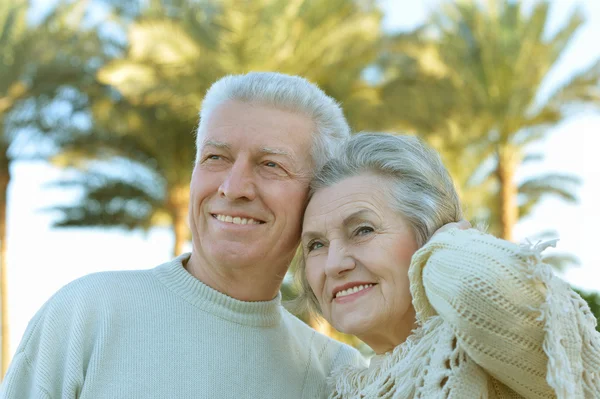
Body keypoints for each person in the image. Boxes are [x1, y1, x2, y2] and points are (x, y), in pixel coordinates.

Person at [1, 72, 365, 398]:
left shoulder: (336, 376)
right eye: (215, 157)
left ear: (318, 196)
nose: (233, 187)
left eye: (271, 165)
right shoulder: (88, 313)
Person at [294, 133, 600, 398]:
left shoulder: (477, 347)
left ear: (429, 234)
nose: (333, 264)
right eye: (316, 245)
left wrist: (446, 246)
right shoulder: (338, 389)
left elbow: (478, 289)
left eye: (363, 230)